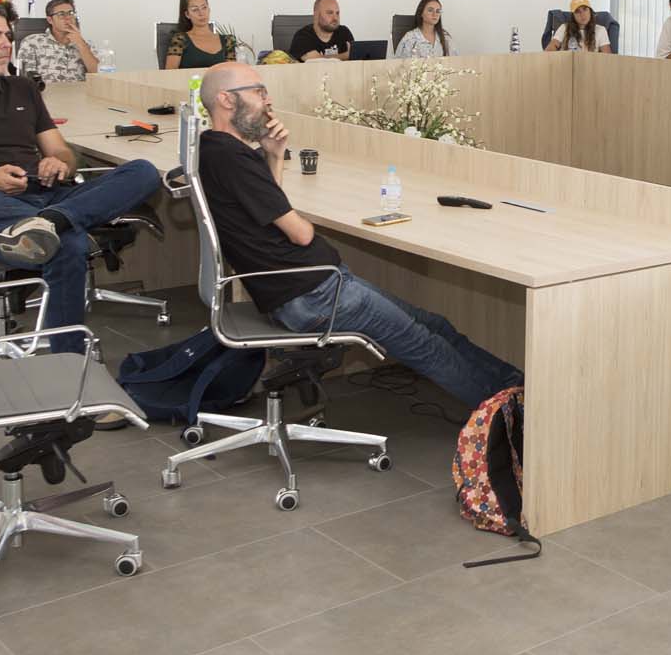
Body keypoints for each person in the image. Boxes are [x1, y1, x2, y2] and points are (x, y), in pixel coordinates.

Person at [196, 62, 521, 407]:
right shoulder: (233, 158)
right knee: (427, 346)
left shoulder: (216, 150)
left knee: (434, 325)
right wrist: (299, 216)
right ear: (226, 101)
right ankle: (510, 416)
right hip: (311, 295)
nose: (267, 101)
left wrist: (274, 157)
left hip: (308, 286)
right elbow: (302, 234)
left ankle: (516, 387)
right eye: (258, 92)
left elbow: (265, 209)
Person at [0, 1, 162, 361]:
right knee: (66, 245)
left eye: (7, 35)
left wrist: (57, 162)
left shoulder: (23, 89)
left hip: (46, 196)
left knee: (144, 172)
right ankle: (68, 365)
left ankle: (51, 223)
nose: (6, 43)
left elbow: (63, 154)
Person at [19, 0, 100, 83]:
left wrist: (80, 43)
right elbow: (25, 78)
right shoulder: (32, 42)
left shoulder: (86, 44)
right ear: (50, 20)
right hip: (46, 94)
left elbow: (98, 74)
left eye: (71, 13)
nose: (68, 18)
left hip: (78, 94)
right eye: (61, 14)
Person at [164, 0, 238, 69]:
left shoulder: (227, 40)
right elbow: (169, 74)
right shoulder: (180, 39)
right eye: (195, 10)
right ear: (187, 14)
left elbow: (232, 73)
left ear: (209, 10)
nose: (201, 13)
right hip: (189, 81)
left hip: (220, 81)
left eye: (204, 7)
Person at [287, 0, 354, 61]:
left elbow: (356, 57)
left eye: (337, 13)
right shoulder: (302, 36)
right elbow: (315, 60)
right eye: (330, 13)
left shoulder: (344, 32)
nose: (335, 18)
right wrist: (346, 56)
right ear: (316, 15)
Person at [544, 0, 612, 53]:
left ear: (590, 11)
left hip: (590, 66)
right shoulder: (564, 27)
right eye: (577, 11)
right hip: (566, 65)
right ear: (573, 16)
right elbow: (549, 50)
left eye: (585, 9)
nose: (582, 15)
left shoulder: (601, 30)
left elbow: (608, 57)